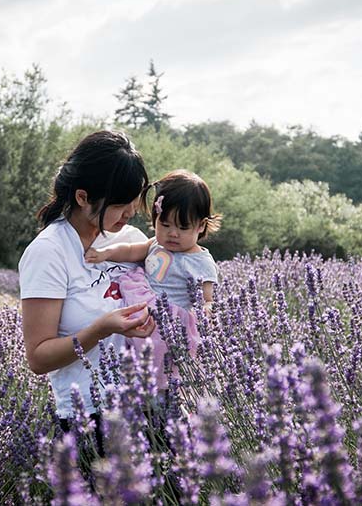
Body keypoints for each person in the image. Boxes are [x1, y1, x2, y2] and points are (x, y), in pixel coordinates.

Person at [19, 130, 156, 439]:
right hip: (89, 417)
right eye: (121, 204)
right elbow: (39, 358)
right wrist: (101, 329)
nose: (131, 212)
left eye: (134, 200)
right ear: (83, 197)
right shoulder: (49, 252)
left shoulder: (129, 240)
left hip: (147, 401)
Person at [84, 169, 222, 388]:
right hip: (140, 303)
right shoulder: (156, 244)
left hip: (169, 323)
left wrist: (207, 311)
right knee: (123, 349)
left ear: (201, 225)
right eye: (164, 225)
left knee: (161, 367)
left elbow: (208, 298)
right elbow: (130, 250)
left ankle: (158, 391)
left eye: (182, 227)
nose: (172, 233)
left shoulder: (201, 262)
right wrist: (106, 253)